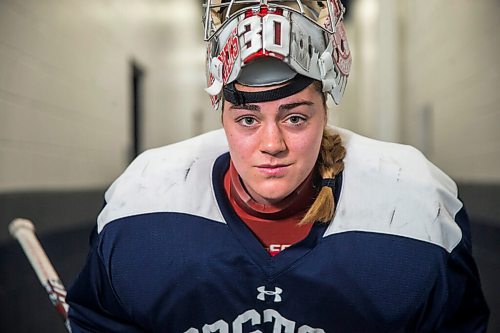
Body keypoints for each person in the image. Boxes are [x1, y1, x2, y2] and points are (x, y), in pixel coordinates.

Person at [67, 1, 489, 332]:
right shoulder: (140, 216)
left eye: (295, 117)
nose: (272, 145)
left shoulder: (416, 220)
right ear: (223, 121)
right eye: (248, 119)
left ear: (325, 116)